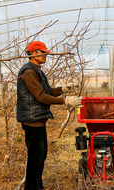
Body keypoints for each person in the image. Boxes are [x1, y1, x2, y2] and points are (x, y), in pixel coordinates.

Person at [17, 41, 82, 190]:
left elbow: (46, 91)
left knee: (40, 156)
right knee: (35, 158)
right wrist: (65, 101)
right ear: (33, 53)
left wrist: (63, 89)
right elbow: (40, 97)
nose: (46, 55)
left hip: (37, 119)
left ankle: (37, 186)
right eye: (42, 52)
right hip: (32, 120)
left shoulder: (36, 70)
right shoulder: (29, 72)